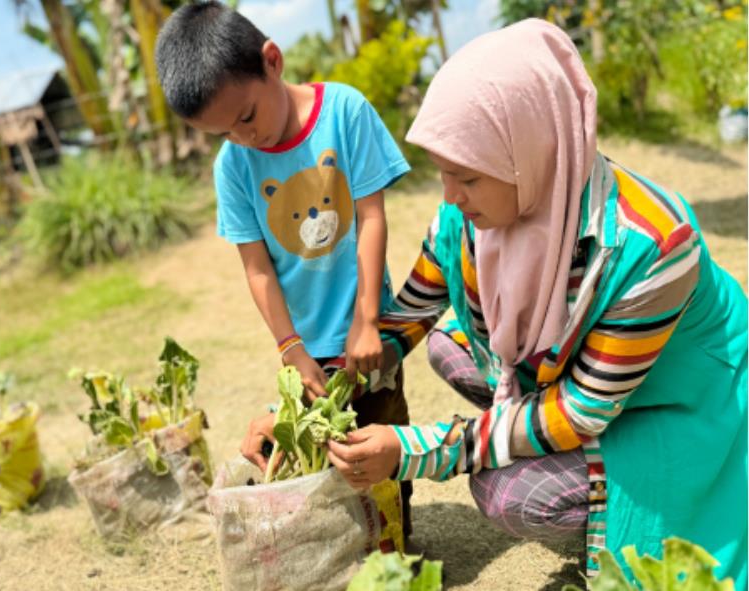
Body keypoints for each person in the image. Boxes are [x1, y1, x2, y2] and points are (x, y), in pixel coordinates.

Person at [243, 18, 748, 586]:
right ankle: (536, 441)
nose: (451, 196)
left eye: (468, 178)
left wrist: (414, 450)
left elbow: (580, 412)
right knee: (445, 344)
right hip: (581, 383)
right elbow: (405, 322)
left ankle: (619, 508)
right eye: (443, 173)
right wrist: (297, 415)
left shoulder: (651, 248)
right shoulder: (464, 224)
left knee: (505, 491)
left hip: (679, 403)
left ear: (530, 151)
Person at [155, 1, 420, 539]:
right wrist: (291, 350)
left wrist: (368, 319)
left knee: (383, 441)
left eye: (247, 117)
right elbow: (257, 270)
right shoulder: (233, 166)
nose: (245, 138)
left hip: (370, 334)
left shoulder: (344, 112)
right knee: (319, 458)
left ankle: (396, 544)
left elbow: (372, 218)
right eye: (224, 132)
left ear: (271, 61)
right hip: (304, 349)